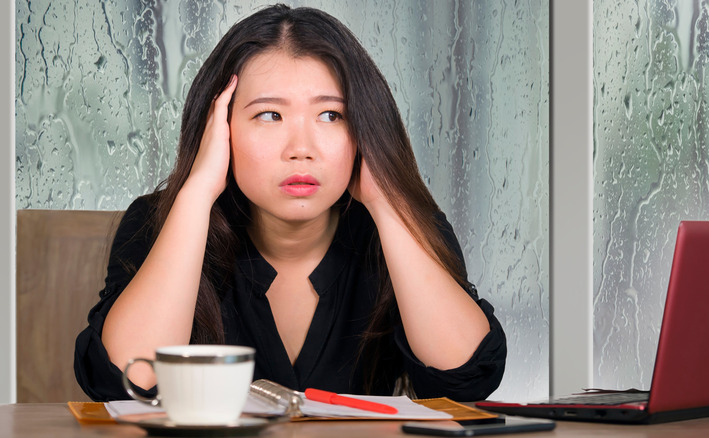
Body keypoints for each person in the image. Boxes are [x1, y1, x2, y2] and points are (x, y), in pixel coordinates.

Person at [74, 4, 506, 402]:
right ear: (219, 129)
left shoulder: (405, 227)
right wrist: (199, 189)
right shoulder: (162, 222)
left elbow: (465, 378)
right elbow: (123, 383)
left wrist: (387, 200)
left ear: (364, 129)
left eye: (331, 116)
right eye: (269, 115)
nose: (301, 149)